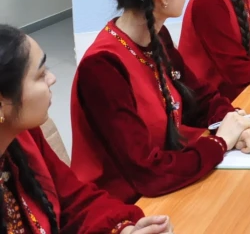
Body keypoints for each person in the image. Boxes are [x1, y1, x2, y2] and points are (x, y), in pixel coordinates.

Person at [71, 0, 250, 203]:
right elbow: (147, 173)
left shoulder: (157, 37)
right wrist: (220, 142)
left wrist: (234, 122)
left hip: (167, 179)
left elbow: (199, 98)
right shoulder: (102, 67)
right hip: (127, 204)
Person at [0, 24, 173, 234]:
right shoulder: (101, 65)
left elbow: (74, 200)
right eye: (40, 74)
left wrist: (123, 229)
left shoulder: (23, 135)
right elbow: (145, 168)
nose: (52, 79)